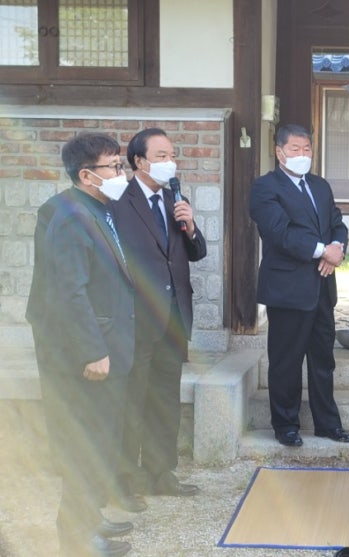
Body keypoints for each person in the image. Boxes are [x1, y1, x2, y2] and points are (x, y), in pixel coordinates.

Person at [26, 133, 135, 557]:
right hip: (89, 355)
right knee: (84, 445)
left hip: (111, 345)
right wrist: (93, 350)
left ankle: (90, 516)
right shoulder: (72, 216)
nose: (122, 174)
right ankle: (75, 537)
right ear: (87, 175)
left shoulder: (99, 208)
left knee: (103, 441)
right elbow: (69, 291)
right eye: (115, 166)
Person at [111, 128, 207, 510]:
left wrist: (192, 225)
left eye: (172, 154)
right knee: (132, 399)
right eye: (162, 155)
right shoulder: (119, 200)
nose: (171, 162)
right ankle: (124, 480)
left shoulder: (173, 199)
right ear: (139, 161)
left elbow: (194, 253)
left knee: (165, 398)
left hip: (173, 318)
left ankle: (160, 472)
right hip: (137, 317)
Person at [249, 123, 349, 447]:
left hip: (322, 287)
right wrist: (325, 251)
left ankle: (327, 423)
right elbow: (279, 233)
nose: (302, 154)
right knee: (286, 361)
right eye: (295, 149)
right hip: (288, 289)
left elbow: (337, 223)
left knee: (323, 359)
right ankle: (286, 426)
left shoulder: (320, 186)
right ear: (279, 152)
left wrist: (338, 247)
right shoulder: (265, 188)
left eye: (306, 149)